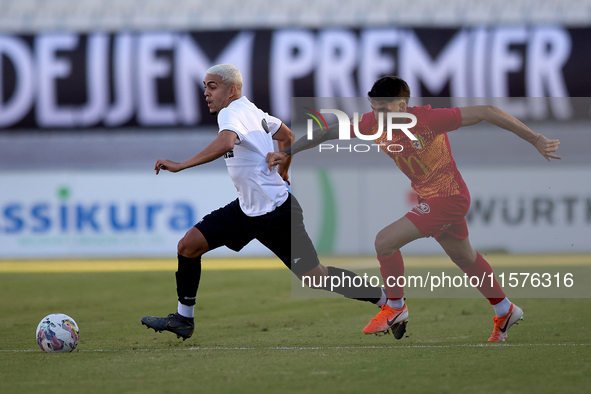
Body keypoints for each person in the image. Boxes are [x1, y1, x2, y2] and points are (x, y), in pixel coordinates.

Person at [267, 76, 561, 342]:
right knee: (466, 258)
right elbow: (326, 133)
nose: (378, 115)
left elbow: (486, 111)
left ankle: (395, 307)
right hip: (431, 199)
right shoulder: (371, 123)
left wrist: (535, 139)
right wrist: (286, 152)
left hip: (449, 198)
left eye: (385, 108)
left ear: (403, 105)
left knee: (385, 242)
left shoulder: (428, 120)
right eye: (374, 108)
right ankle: (505, 308)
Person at [141, 64, 385, 340]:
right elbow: (287, 136)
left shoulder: (232, 113)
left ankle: (384, 299)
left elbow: (225, 143)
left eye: (212, 86)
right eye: (205, 87)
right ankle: (183, 318)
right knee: (188, 246)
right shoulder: (252, 111)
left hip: (276, 212)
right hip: (246, 210)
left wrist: (182, 165)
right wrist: (284, 168)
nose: (206, 93)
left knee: (316, 277)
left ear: (231, 90)